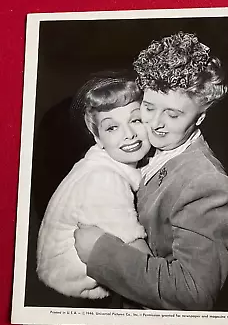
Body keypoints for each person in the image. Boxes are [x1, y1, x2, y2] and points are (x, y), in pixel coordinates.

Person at [74, 32, 228, 310]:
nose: (155, 124)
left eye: (173, 115)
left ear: (199, 117)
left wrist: (100, 252)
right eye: (149, 107)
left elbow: (194, 294)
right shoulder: (147, 145)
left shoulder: (207, 183)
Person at [36, 73, 151, 299]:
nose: (129, 135)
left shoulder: (98, 165)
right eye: (111, 128)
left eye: (136, 120)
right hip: (72, 301)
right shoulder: (103, 178)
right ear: (97, 138)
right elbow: (144, 268)